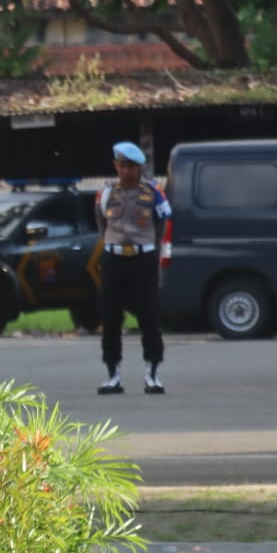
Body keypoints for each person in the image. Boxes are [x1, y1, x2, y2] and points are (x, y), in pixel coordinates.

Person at [95, 140, 171, 395]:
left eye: (130, 166)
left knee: (149, 315)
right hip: (114, 258)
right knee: (110, 316)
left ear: (139, 168)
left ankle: (152, 374)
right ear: (115, 166)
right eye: (121, 166)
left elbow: (162, 222)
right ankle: (113, 375)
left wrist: (153, 251)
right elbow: (101, 223)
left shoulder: (153, 192)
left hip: (143, 258)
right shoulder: (106, 193)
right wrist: (111, 245)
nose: (125, 171)